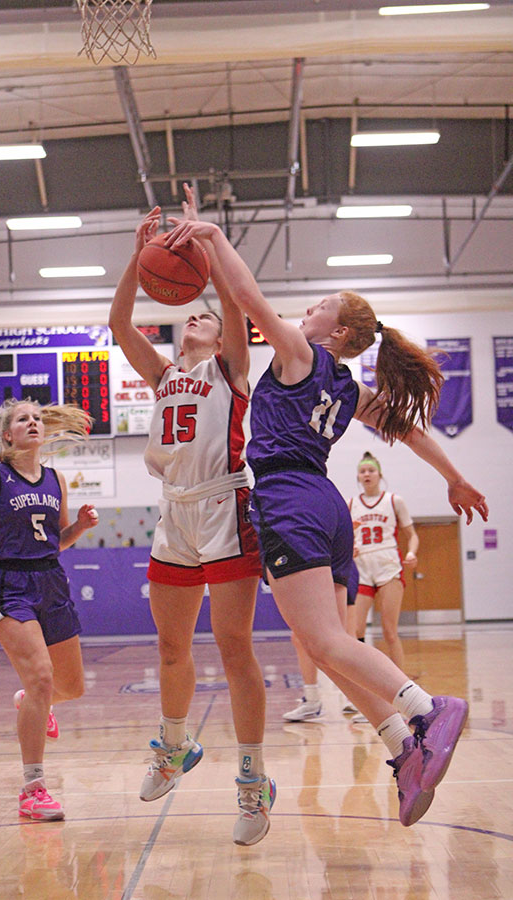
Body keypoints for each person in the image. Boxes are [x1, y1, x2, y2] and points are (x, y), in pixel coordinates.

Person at [163, 214, 488, 828]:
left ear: (334, 330)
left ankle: (426, 708)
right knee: (332, 650)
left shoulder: (302, 354)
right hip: (327, 506)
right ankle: (403, 749)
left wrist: (211, 236)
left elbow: (247, 296)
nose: (304, 311)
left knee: (325, 643)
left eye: (315, 307)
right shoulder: (345, 385)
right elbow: (408, 429)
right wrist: (452, 476)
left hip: (290, 500)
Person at [108, 187, 274, 846]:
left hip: (226, 504)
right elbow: (121, 326)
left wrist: (207, 239)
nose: (192, 322)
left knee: (234, 647)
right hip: (174, 514)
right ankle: (174, 749)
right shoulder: (162, 375)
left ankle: (254, 781)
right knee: (171, 647)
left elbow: (234, 302)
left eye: (201, 316)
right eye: (188, 319)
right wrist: (134, 258)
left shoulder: (232, 369)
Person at [0, 399, 98, 821]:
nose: (32, 422)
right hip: (11, 585)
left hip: (52, 580)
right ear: (8, 434)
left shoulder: (56, 479)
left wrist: (79, 527)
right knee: (43, 676)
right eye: (22, 419)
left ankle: (31, 700)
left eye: (36, 418)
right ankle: (33, 789)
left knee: (72, 687)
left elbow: (56, 540)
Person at [350, 450, 418, 671]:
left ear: (380, 474)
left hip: (388, 565)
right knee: (356, 631)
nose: (367, 474)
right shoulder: (351, 504)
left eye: (371, 470)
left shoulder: (393, 500)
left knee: (389, 631)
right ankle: (363, 680)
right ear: (358, 477)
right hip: (361, 568)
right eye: (362, 471)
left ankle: (403, 685)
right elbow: (344, 537)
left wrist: (411, 552)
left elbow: (412, 535)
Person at [283, 560, 360, 723]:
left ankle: (362, 699)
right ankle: (312, 701)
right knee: (300, 638)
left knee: (345, 638)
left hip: (331, 565)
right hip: (307, 565)